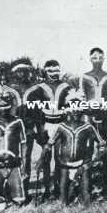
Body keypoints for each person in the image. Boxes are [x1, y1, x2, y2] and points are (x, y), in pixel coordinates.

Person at [46, 89, 105, 206]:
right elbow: (49, 144)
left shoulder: (88, 127)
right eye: (72, 109)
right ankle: (65, 197)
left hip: (83, 164)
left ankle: (83, 199)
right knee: (63, 200)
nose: (75, 112)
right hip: (64, 165)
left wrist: (92, 161)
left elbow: (102, 143)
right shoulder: (61, 126)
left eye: (78, 109)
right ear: (67, 111)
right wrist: (43, 156)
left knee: (86, 198)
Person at [0, 58, 44, 195]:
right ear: (13, 72)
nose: (22, 74)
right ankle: (6, 189)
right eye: (18, 70)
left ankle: (23, 189)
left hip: (28, 129)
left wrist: (39, 130)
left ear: (29, 71)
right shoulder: (5, 89)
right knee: (7, 156)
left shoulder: (36, 88)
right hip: (9, 129)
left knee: (25, 158)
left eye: (25, 70)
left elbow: (39, 112)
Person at [80, 47, 107, 200]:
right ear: (90, 59)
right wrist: (89, 107)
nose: (97, 60)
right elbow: (82, 97)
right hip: (89, 118)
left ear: (104, 59)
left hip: (105, 118)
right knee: (88, 151)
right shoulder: (84, 76)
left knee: (105, 151)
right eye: (94, 58)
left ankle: (105, 188)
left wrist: (106, 107)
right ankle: (87, 188)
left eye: (100, 57)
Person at [33, 59, 73, 199]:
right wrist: (40, 129)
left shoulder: (66, 86)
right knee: (45, 158)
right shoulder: (39, 88)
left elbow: (72, 108)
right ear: (45, 71)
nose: (54, 74)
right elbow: (37, 112)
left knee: (59, 158)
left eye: (57, 71)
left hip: (61, 124)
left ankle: (58, 188)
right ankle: (46, 189)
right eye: (50, 71)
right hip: (46, 124)